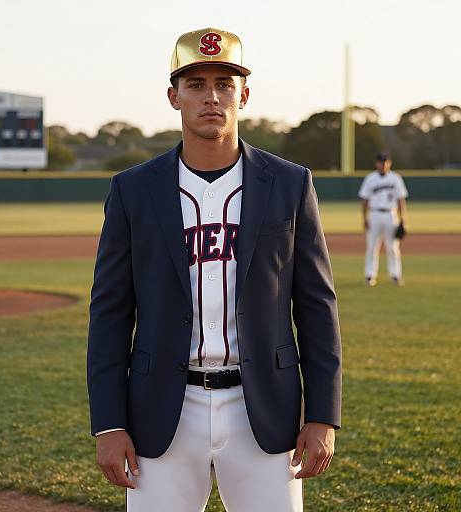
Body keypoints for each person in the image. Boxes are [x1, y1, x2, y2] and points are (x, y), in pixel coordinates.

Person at [87, 27, 342, 512]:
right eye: (197, 84)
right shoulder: (133, 191)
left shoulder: (290, 184)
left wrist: (323, 415)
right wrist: (109, 422)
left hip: (263, 406)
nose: (212, 97)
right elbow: (110, 314)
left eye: (225, 84)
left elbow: (317, 306)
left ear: (243, 94)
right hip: (162, 406)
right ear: (173, 96)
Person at [359, 152, 408, 286]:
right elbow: (364, 200)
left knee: (392, 247)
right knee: (371, 247)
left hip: (390, 214)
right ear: (376, 163)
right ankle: (370, 275)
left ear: (389, 163)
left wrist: (402, 219)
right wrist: (364, 218)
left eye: (386, 162)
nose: (383, 164)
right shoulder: (370, 178)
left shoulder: (395, 178)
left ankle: (395, 275)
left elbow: (401, 200)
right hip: (374, 214)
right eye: (381, 161)